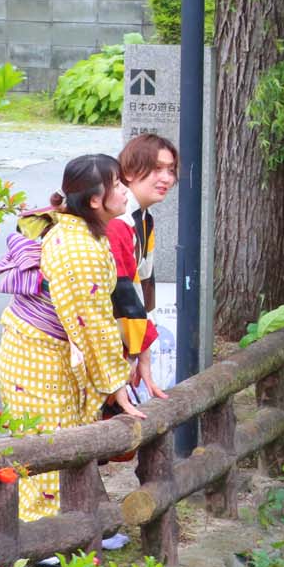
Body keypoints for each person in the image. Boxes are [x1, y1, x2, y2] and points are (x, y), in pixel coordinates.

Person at [0, 155, 144, 532]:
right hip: (36, 356)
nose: (124, 191)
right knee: (47, 445)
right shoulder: (78, 245)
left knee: (38, 439)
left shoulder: (85, 232)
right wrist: (116, 385)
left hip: (38, 352)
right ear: (96, 200)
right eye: (116, 185)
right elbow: (92, 323)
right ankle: (41, 531)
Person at [108, 133, 178, 400]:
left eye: (171, 170)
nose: (167, 179)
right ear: (128, 171)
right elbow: (123, 295)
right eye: (157, 168)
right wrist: (136, 354)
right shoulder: (118, 221)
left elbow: (141, 293)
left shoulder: (144, 218)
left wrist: (139, 353)